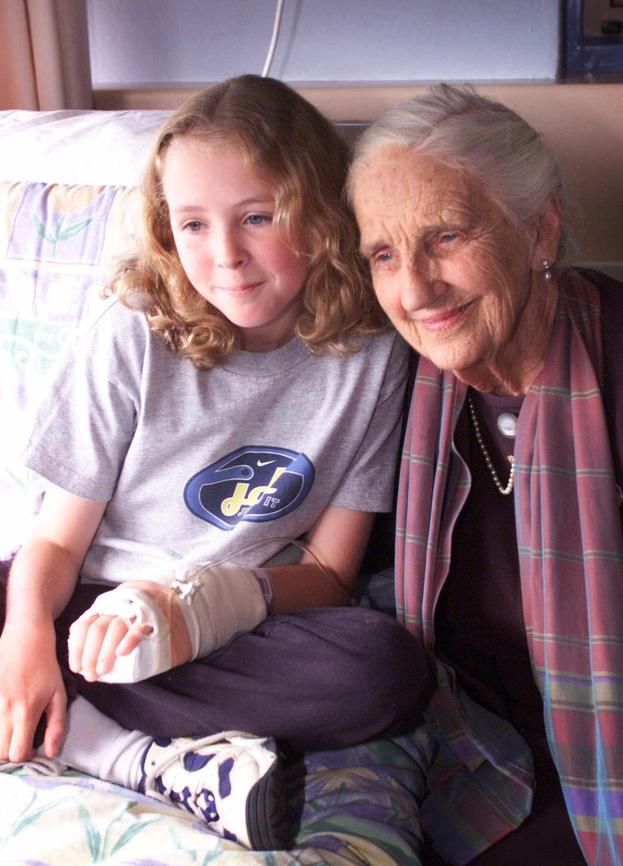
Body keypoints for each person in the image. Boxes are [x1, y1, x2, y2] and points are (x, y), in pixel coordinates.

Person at [0, 75, 431, 852]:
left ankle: (83, 720)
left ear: (321, 216)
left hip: (233, 625)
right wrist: (28, 637)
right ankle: (142, 761)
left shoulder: (372, 355)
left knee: (388, 672)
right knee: (10, 615)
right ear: (165, 230)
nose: (224, 256)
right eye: (192, 224)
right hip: (86, 600)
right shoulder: (132, 333)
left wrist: (199, 605)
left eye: (257, 217)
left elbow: (331, 576)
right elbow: (56, 545)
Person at [348, 84, 623, 866]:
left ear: (539, 227)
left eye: (444, 236)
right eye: (384, 254)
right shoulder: (405, 392)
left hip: (618, 787)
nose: (413, 290)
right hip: (473, 767)